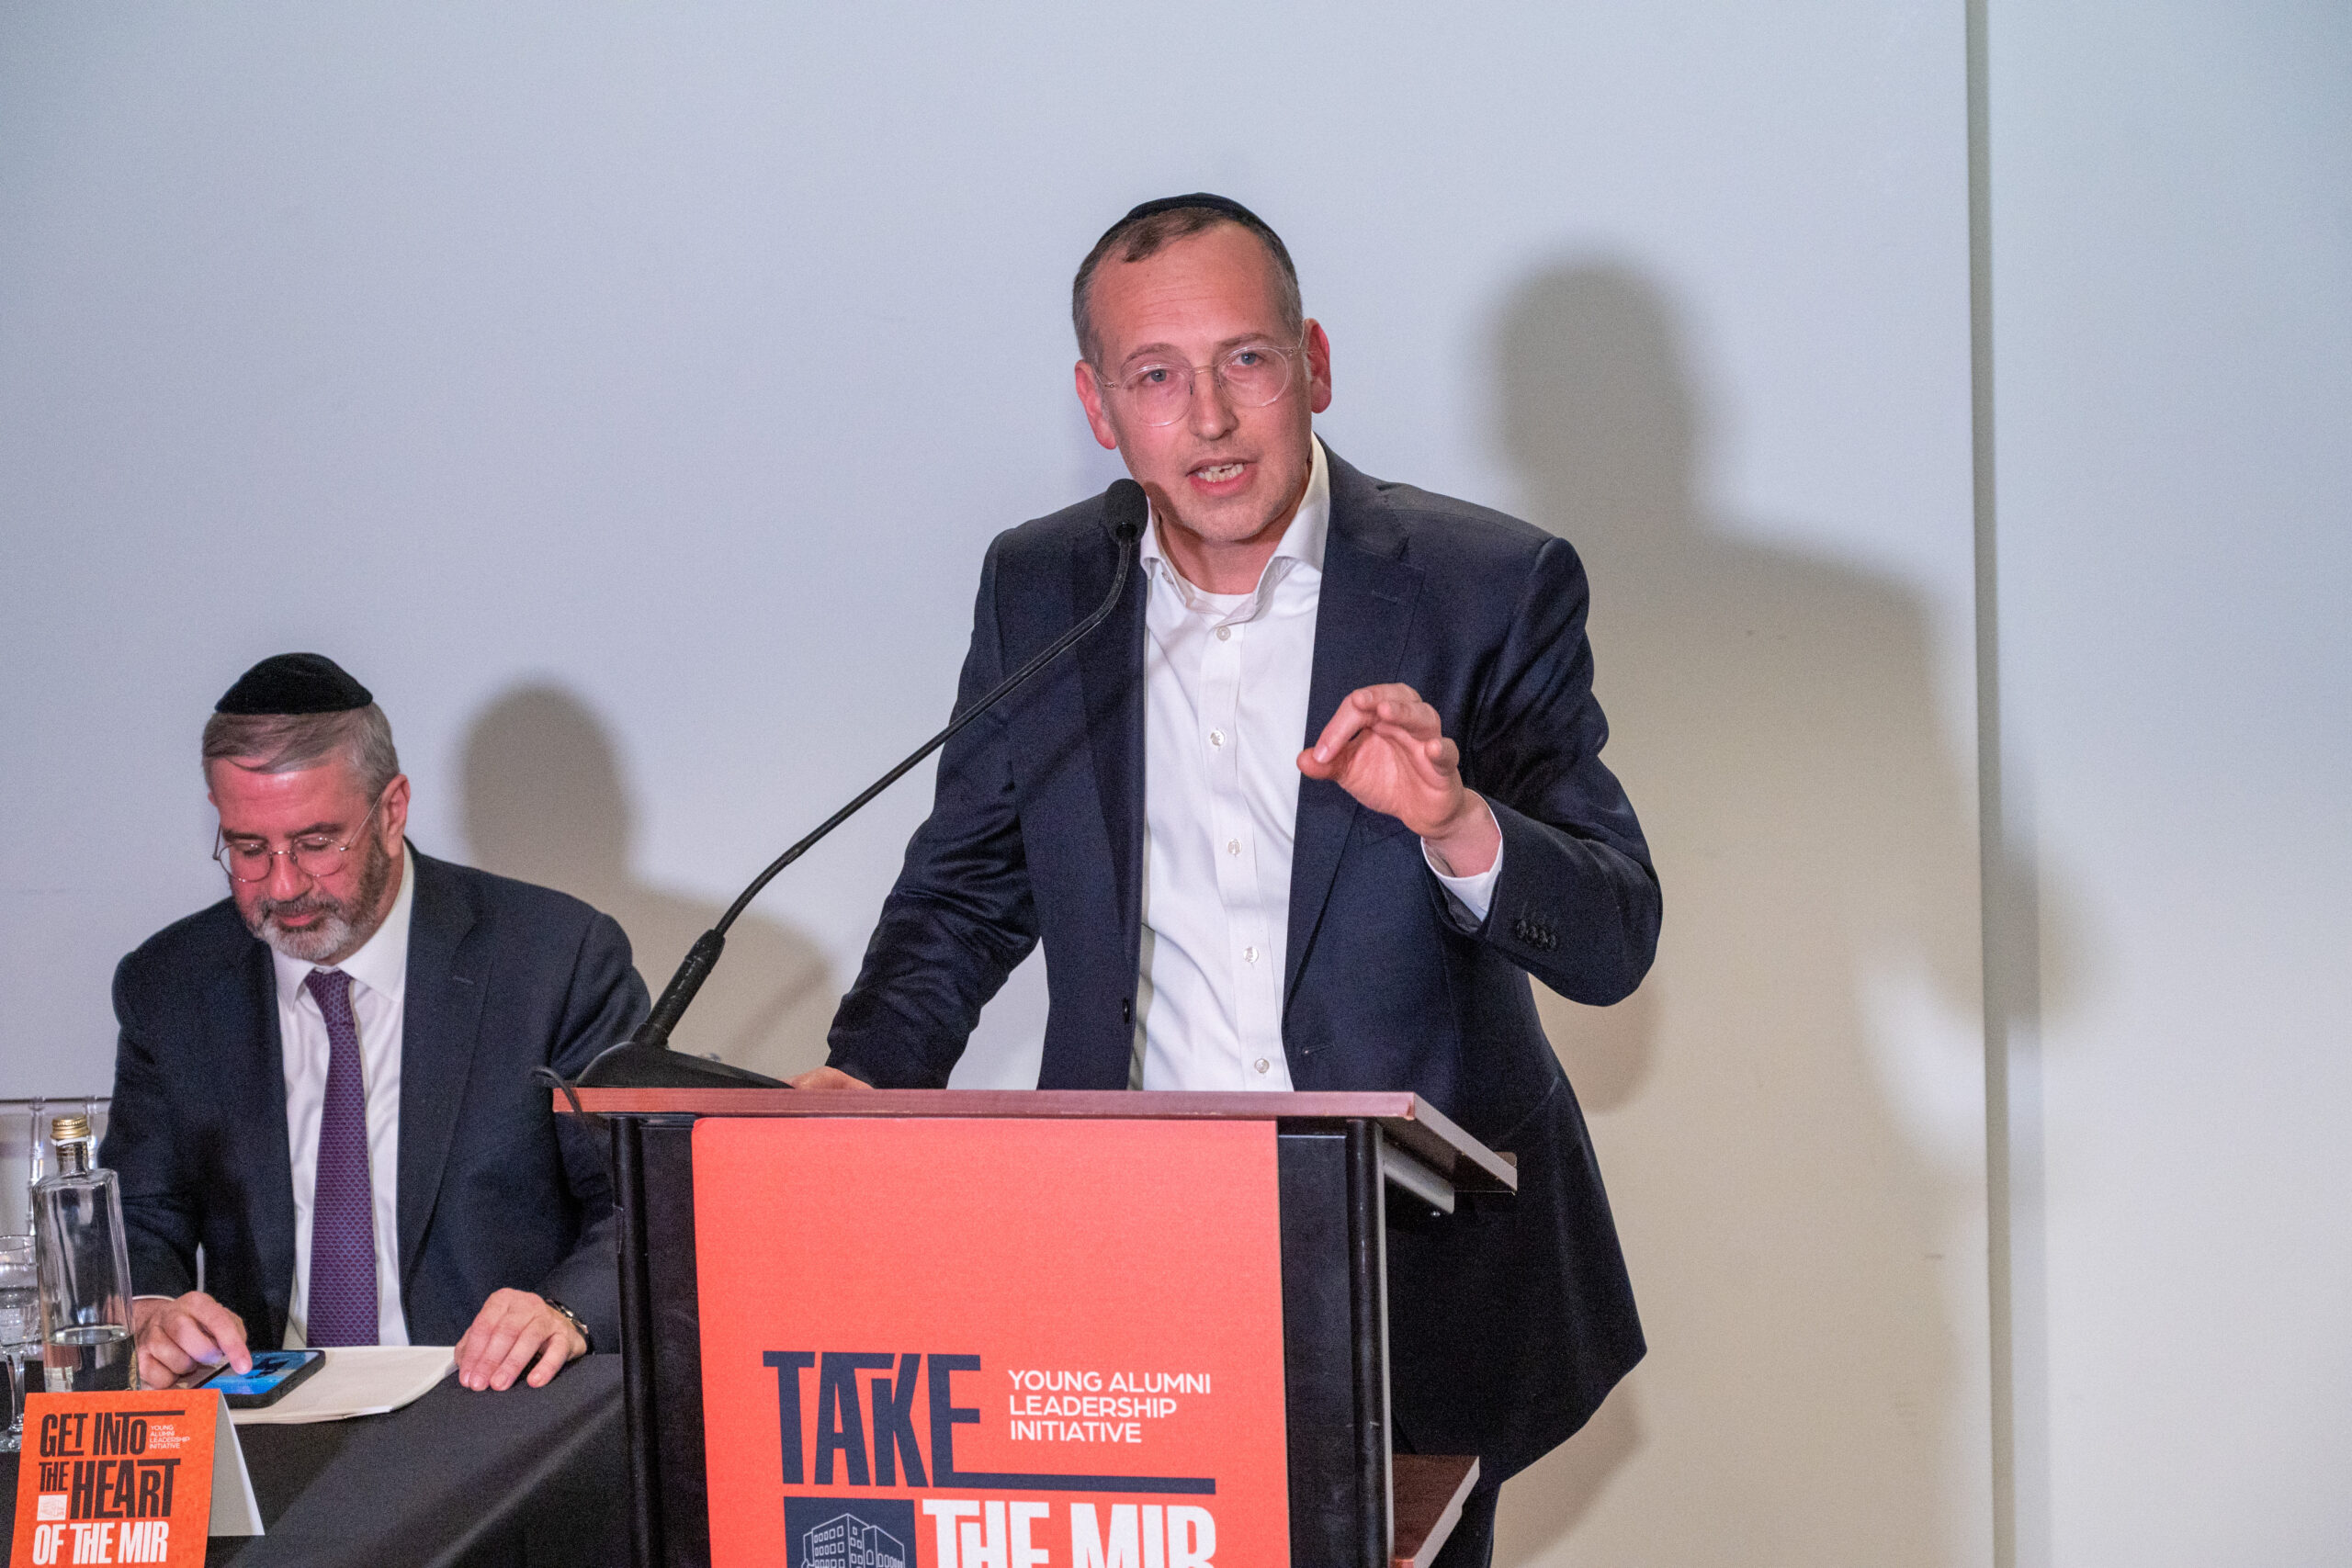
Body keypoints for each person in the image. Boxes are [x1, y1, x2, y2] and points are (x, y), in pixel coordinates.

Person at [803, 195, 1662, 1565]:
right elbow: (968, 888)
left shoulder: (1484, 586)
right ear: (1099, 406)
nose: (1207, 417)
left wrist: (1457, 821)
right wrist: (863, 1077)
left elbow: (1613, 936)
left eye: (1244, 360)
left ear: (1312, 363)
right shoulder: (1043, 588)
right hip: (1131, 1251)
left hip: (1412, 1263)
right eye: (1155, 375)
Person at [101, 653, 648, 1394]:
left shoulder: (555, 960)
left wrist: (564, 1311)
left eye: (315, 842)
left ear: (391, 811)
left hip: (489, 1412)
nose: (283, 884)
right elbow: (139, 1216)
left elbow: (639, 1206)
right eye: (249, 848)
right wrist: (152, 1311)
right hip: (263, 1414)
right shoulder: (172, 985)